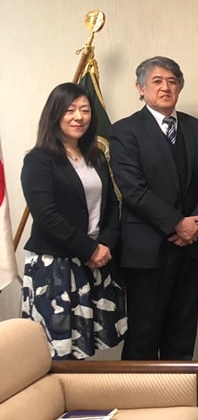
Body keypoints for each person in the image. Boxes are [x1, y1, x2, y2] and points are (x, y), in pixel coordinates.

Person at [110, 56, 198, 361]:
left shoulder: (197, 128)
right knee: (144, 331)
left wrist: (194, 226)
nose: (165, 87)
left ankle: (178, 400)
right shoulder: (125, 131)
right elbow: (133, 189)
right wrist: (176, 224)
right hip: (146, 249)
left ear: (180, 87)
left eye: (172, 81)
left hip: (190, 246)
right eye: (157, 81)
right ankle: (137, 402)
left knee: (182, 329)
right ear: (140, 88)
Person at [20, 83, 126, 359]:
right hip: (55, 266)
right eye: (70, 110)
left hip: (95, 261)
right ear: (54, 114)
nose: (79, 116)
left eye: (85, 110)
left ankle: (78, 399)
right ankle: (52, 400)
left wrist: (103, 244)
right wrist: (89, 249)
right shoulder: (38, 160)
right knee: (55, 346)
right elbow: (47, 216)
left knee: (84, 343)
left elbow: (113, 206)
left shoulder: (96, 156)